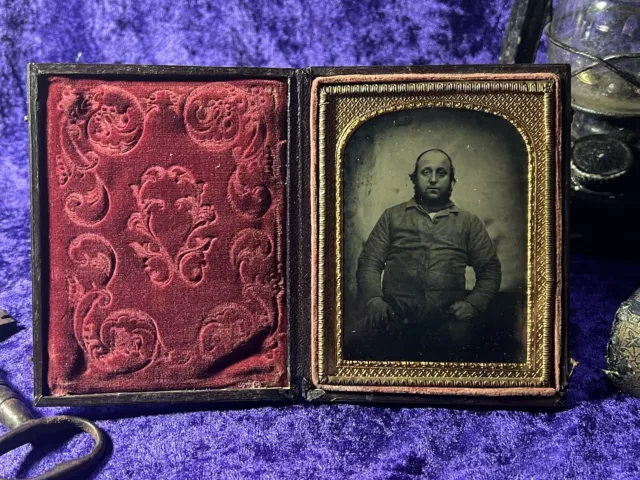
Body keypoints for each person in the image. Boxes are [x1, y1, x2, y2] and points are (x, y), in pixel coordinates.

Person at [353, 148, 502, 361]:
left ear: (452, 180)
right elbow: (369, 262)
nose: (433, 180)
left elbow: (490, 270)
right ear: (414, 178)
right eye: (426, 172)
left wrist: (474, 304)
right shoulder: (392, 217)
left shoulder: (468, 222)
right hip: (395, 323)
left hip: (450, 327)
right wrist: (375, 299)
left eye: (441, 173)